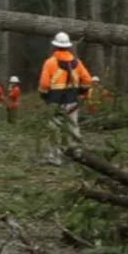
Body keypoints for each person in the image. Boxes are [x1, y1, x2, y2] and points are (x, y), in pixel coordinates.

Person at [38, 31, 93, 166]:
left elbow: (44, 84)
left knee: (54, 128)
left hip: (55, 100)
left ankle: (55, 157)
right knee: (73, 126)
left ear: (55, 47)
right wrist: (81, 91)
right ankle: (76, 154)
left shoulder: (50, 63)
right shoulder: (77, 63)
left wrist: (44, 95)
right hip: (72, 99)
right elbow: (87, 80)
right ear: (68, 47)